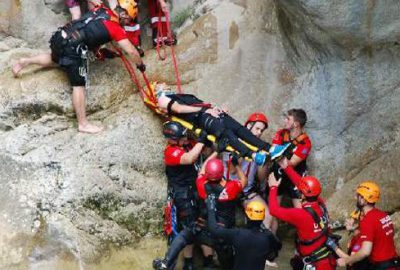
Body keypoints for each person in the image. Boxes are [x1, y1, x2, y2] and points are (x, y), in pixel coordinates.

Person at [12, 4, 145, 134]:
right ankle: (83, 124)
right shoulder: (115, 28)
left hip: (61, 36)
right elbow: (132, 51)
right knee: (79, 85)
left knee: (54, 58)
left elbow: (91, 30)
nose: (128, 23)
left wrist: (102, 52)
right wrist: (140, 65)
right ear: (123, 14)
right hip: (73, 48)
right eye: (129, 19)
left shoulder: (101, 9)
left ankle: (25, 61)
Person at [153, 154, 247, 270]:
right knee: (228, 263)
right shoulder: (230, 187)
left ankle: (166, 262)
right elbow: (244, 180)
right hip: (222, 235)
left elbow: (201, 171)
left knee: (183, 236)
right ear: (221, 172)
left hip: (203, 229)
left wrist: (215, 153)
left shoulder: (201, 184)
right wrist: (236, 164)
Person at [155, 82, 271, 164]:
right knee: (225, 132)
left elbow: (199, 103)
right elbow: (179, 109)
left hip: (206, 113)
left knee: (238, 128)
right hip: (199, 117)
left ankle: (269, 148)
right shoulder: (162, 98)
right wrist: (203, 110)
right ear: (158, 90)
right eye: (161, 84)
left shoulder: (177, 96)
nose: (165, 84)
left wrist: (216, 109)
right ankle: (253, 155)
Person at [268, 157, 336, 269]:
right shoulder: (320, 203)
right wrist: (286, 167)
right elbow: (302, 184)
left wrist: (273, 187)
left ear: (303, 195)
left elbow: (273, 210)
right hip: (325, 256)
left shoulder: (301, 215)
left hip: (314, 262)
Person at [162, 121, 208, 270]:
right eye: (182, 136)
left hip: (195, 192)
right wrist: (201, 141)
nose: (185, 138)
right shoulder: (170, 151)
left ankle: (208, 261)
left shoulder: (186, 145)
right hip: (183, 197)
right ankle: (188, 263)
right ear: (173, 138)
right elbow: (189, 158)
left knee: (203, 224)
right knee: (187, 229)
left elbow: (202, 152)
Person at [222, 112, 273, 231]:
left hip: (246, 191)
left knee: (268, 217)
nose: (259, 133)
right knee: (223, 226)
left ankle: (264, 247)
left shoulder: (258, 147)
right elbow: (234, 171)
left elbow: (261, 178)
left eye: (262, 130)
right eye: (257, 128)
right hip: (227, 188)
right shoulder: (233, 142)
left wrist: (264, 162)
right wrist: (246, 151)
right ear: (248, 126)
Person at [205, 197, 282, 270]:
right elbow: (278, 246)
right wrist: (265, 229)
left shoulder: (238, 234)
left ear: (246, 217)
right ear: (263, 217)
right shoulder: (268, 236)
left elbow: (214, 229)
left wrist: (211, 209)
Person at [337, 182, 400, 269]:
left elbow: (365, 251)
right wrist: (354, 229)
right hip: (394, 263)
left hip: (381, 266)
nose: (355, 197)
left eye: (358, 195)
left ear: (364, 199)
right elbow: (378, 234)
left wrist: (346, 261)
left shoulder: (368, 220)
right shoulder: (383, 215)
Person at [271, 108, 312, 209]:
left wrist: (277, 153)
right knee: (273, 209)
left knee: (300, 212)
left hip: (295, 177)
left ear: (296, 124)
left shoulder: (305, 143)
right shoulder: (281, 133)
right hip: (279, 173)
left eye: (288, 119)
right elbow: (273, 151)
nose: (285, 121)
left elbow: (291, 163)